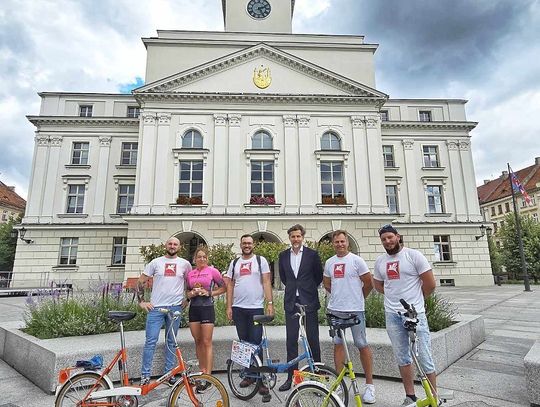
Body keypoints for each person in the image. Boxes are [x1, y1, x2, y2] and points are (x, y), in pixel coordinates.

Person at [373, 224, 437, 407]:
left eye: (390, 237)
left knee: (424, 356)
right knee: (402, 356)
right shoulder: (380, 261)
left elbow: (430, 284)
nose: (387, 241)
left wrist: (416, 300)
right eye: (384, 239)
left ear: (398, 237)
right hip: (392, 314)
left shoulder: (414, 256)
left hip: (414, 314)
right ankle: (410, 395)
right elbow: (378, 285)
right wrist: (393, 297)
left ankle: (434, 397)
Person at [323, 230, 376, 404]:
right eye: (336, 242)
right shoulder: (330, 262)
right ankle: (339, 385)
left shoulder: (357, 260)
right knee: (338, 346)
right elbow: (327, 284)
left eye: (342, 241)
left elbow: (369, 282)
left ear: (348, 243)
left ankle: (369, 386)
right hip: (335, 310)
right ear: (333, 244)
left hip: (355, 311)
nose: (339, 244)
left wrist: (358, 297)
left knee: (362, 344)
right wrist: (340, 296)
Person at [225, 234, 274, 402]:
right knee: (244, 344)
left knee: (256, 343)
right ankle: (249, 375)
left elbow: (266, 282)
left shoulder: (261, 261)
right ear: (241, 245)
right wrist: (228, 306)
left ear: (253, 245)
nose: (247, 245)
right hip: (239, 309)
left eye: (249, 243)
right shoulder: (235, 263)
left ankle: (260, 380)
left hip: (255, 309)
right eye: (244, 243)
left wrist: (270, 303)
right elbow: (230, 285)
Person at [137, 237, 192, 386]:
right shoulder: (156, 262)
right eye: (170, 243)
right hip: (155, 308)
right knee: (150, 342)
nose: (172, 246)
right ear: (165, 245)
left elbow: (190, 283)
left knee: (171, 342)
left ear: (179, 247)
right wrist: (142, 301)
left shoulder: (185, 264)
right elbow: (141, 281)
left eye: (175, 244)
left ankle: (169, 374)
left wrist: (187, 300)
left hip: (175, 308)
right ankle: (145, 375)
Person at [277, 224, 323, 391]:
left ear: (303, 237)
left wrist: (306, 289)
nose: (295, 239)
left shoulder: (312, 255)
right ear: (289, 238)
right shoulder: (283, 256)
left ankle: (317, 378)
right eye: (293, 237)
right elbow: (284, 277)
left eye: (298, 236)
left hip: (308, 302)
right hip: (291, 302)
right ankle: (292, 377)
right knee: (291, 342)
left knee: (313, 340)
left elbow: (318, 276)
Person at [185, 245, 226, 383]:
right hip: (194, 309)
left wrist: (209, 293)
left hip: (207, 307)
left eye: (204, 257)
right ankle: (201, 371)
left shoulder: (212, 271)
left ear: (207, 258)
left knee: (207, 341)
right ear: (195, 259)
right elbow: (187, 292)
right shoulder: (190, 273)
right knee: (198, 341)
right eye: (199, 257)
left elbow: (224, 287)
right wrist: (191, 293)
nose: (201, 259)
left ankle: (208, 376)